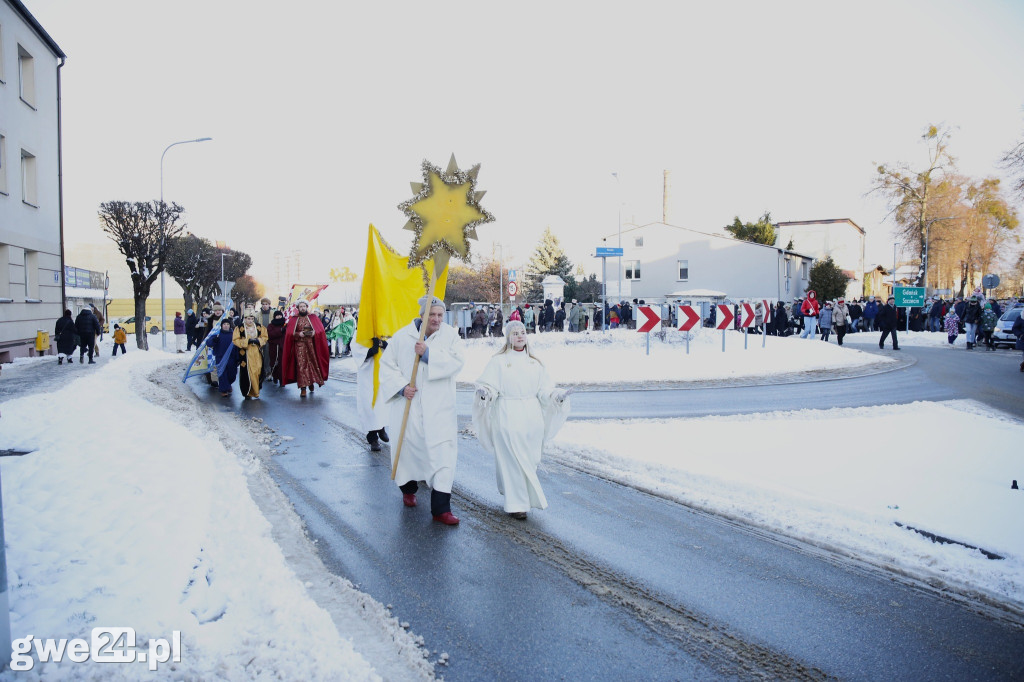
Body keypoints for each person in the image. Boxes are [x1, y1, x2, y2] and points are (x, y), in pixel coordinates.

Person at [378, 296, 464, 525]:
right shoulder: (402, 337)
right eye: (432, 315)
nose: (436, 319)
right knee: (408, 452)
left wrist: (428, 354)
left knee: (443, 455)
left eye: (439, 315)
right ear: (423, 315)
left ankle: (441, 509)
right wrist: (401, 388)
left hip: (440, 407)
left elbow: (458, 362)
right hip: (410, 406)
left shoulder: (450, 336)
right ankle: (408, 488)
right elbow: (387, 366)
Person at [472, 321, 570, 520]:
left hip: (531, 418)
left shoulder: (536, 363)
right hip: (507, 415)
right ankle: (517, 505)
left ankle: (524, 498)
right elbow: (489, 385)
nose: (520, 336)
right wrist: (485, 393)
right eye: (515, 333)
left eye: (523, 332)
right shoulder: (498, 361)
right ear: (508, 337)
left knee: (529, 460)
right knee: (512, 461)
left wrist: (556, 396)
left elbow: (544, 391)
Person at [282, 299, 330, 397]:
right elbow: (289, 334)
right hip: (299, 346)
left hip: (311, 345)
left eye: (304, 306)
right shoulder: (294, 319)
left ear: (307, 307)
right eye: (301, 307)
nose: (303, 308)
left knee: (312, 364)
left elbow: (320, 330)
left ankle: (311, 383)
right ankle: (303, 388)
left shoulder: (313, 317)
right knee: (301, 366)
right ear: (298, 308)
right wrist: (298, 334)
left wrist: (314, 333)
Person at [355, 337, 389, 451]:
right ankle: (373, 436)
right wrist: (371, 350)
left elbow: (394, 349)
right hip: (367, 375)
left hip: (382, 372)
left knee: (382, 403)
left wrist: (385, 345)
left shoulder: (384, 330)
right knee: (369, 404)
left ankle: (381, 427)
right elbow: (357, 353)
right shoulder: (360, 333)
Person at [232, 307, 268, 399]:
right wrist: (246, 342)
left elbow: (264, 337)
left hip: (257, 352)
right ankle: (250, 392)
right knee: (249, 372)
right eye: (248, 319)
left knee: (258, 370)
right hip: (246, 353)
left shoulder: (259, 327)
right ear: (244, 319)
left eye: (252, 319)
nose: (250, 321)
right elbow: (235, 340)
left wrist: (258, 341)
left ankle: (256, 389)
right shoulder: (239, 328)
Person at [210, 318, 239, 397]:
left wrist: (238, 357)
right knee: (222, 374)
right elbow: (209, 343)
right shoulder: (217, 334)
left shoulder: (234, 335)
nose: (226, 326)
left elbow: (237, 346)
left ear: (230, 326)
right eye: (224, 324)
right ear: (221, 326)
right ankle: (224, 390)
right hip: (220, 358)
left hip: (232, 358)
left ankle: (228, 385)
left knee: (232, 375)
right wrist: (214, 340)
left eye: (227, 324)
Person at [266, 309, 287, 384]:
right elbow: (270, 334)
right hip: (274, 347)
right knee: (274, 362)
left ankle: (282, 379)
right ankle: (275, 376)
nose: (279, 317)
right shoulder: (271, 325)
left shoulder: (285, 324)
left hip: (283, 346)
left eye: (280, 315)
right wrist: (280, 330)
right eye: (277, 315)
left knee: (282, 363)